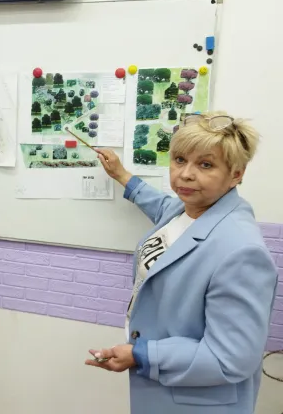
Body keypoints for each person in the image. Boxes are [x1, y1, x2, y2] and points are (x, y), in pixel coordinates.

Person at [85, 112, 278, 414]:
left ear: (236, 174)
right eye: (179, 160)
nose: (185, 174)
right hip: (165, 393)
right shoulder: (185, 209)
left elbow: (231, 357)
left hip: (197, 402)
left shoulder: (241, 252)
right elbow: (160, 204)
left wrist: (142, 355)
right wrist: (121, 175)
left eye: (205, 164)